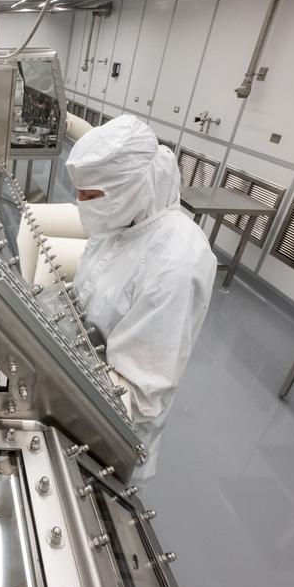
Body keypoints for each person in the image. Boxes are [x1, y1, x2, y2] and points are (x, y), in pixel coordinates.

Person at [68, 115, 217, 480]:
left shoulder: (176, 263)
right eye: (79, 192)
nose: (80, 202)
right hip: (86, 373)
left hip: (112, 430)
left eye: (91, 195)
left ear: (133, 187)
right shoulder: (119, 222)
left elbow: (136, 395)